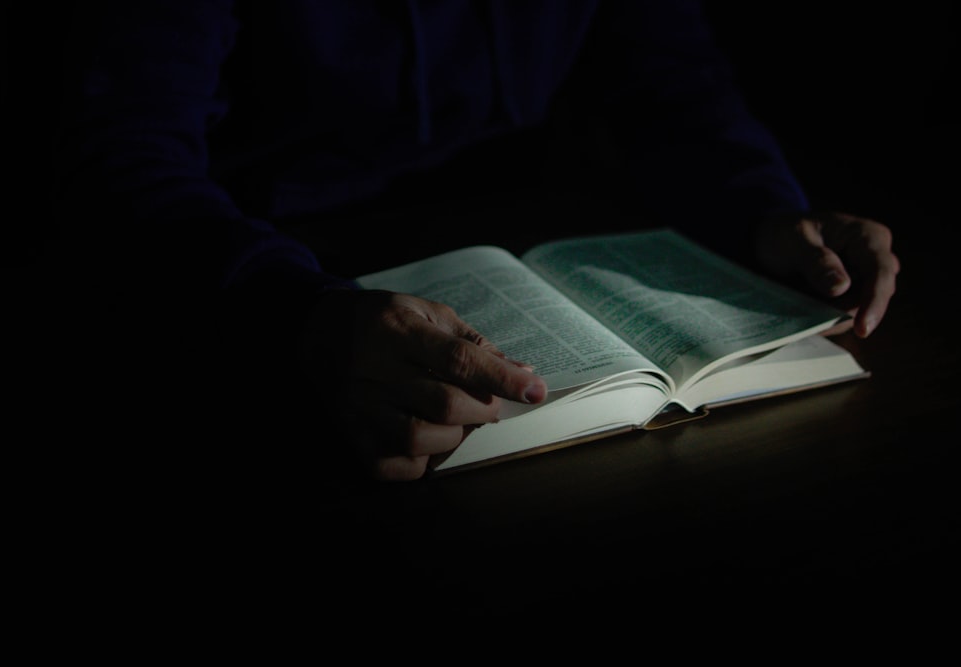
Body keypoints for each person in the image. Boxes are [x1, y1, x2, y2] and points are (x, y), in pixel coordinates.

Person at [45, 0, 899, 486]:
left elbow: (673, 80)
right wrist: (288, 312)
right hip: (258, 272)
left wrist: (767, 213)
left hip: (528, 247)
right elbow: (120, 149)